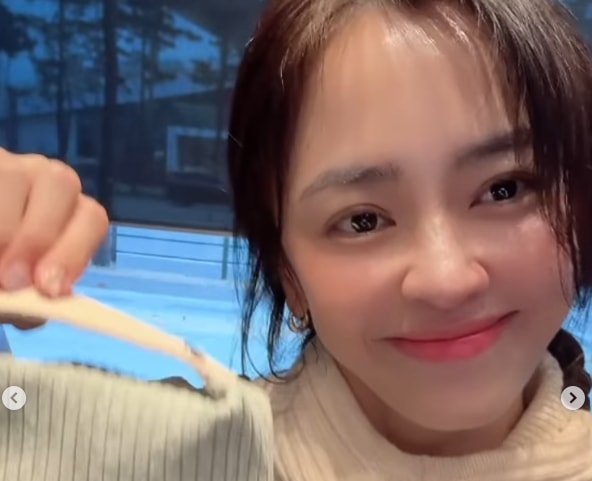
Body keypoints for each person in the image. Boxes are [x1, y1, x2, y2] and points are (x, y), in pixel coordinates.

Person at [2, 0, 592, 479]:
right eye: (362, 220)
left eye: (505, 189)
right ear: (288, 271)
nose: (447, 279)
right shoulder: (163, 456)